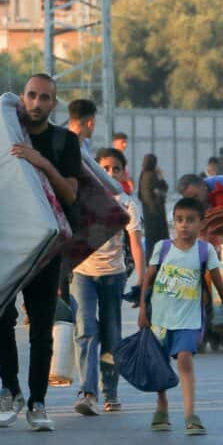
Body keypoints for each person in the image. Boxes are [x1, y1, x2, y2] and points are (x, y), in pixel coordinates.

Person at [0, 75, 80, 433]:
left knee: (42, 325)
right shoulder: (3, 136)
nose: (37, 103)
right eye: (31, 95)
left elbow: (71, 195)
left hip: (46, 244)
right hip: (6, 241)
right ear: (21, 98)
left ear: (53, 104)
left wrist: (39, 162)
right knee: (0, 318)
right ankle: (9, 389)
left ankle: (38, 401)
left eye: (45, 98)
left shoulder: (63, 141)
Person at [139, 197, 223, 436]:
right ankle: (161, 406)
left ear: (201, 224)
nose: (184, 225)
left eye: (190, 220)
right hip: (160, 320)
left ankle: (189, 414)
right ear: (173, 222)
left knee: (184, 360)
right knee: (160, 365)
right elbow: (148, 279)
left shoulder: (205, 251)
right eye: (179, 220)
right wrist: (143, 310)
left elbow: (217, 281)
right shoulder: (162, 248)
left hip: (188, 320)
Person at [72, 148, 145, 415]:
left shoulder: (127, 204)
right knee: (86, 331)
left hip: (114, 276)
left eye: (116, 168)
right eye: (105, 168)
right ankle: (87, 392)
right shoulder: (84, 200)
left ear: (124, 172)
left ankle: (110, 391)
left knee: (112, 336)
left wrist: (143, 281)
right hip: (83, 274)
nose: (111, 173)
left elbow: (136, 246)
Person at [139, 153, 170, 252]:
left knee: (151, 239)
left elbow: (141, 195)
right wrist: (160, 177)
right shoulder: (151, 175)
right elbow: (164, 187)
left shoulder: (143, 174)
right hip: (156, 212)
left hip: (148, 211)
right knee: (159, 238)